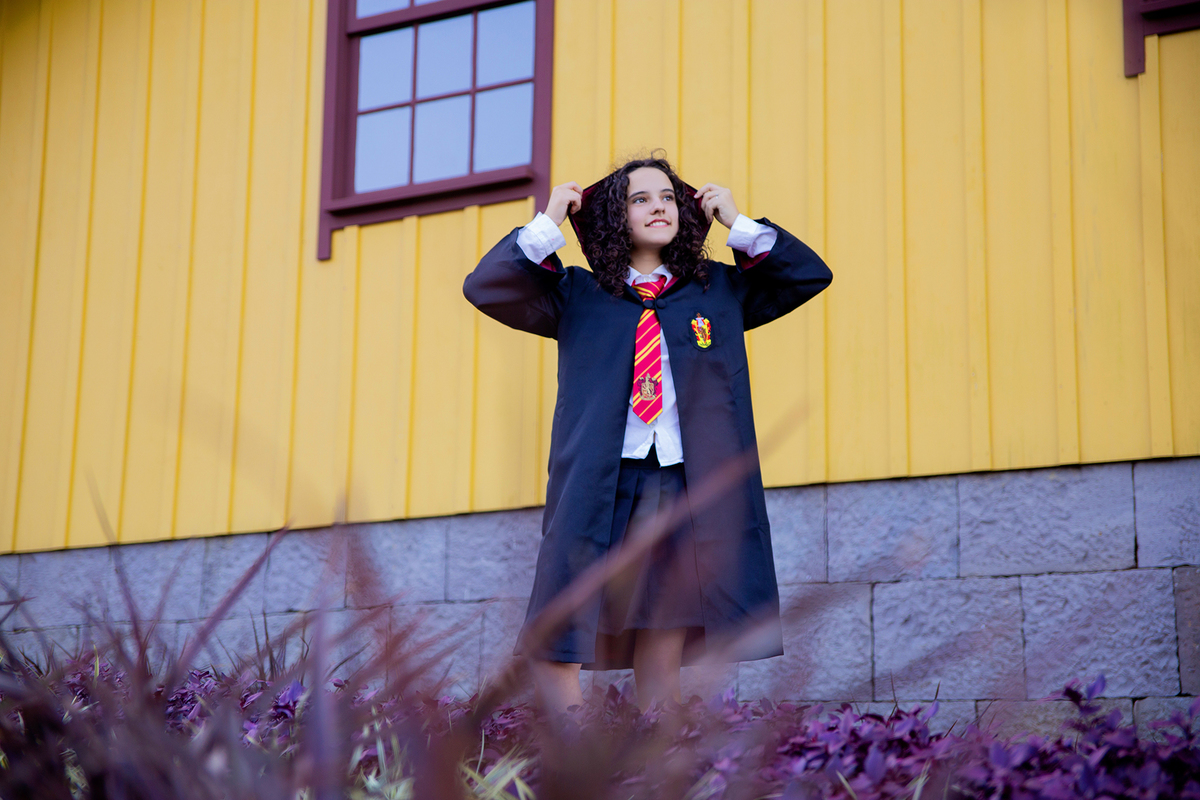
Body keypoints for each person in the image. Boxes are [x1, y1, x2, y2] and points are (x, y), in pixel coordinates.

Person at [463, 155, 832, 713]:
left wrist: (740, 224)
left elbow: (808, 275)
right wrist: (549, 223)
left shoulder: (717, 291)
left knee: (665, 622)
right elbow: (487, 286)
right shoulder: (577, 295)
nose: (658, 206)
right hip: (599, 479)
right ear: (615, 215)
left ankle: (658, 755)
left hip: (679, 477)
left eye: (666, 197)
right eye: (640, 198)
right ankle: (574, 759)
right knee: (566, 607)